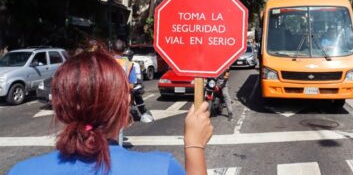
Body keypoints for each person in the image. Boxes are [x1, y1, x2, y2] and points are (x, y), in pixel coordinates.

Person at [8, 47, 213, 175]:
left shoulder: (21, 171)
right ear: (125, 105)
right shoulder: (161, 168)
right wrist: (194, 146)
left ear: (60, 108)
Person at [112, 39, 152, 123]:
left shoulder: (105, 62)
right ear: (123, 51)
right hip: (123, 96)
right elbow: (132, 84)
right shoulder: (128, 64)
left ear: (112, 50)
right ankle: (143, 113)